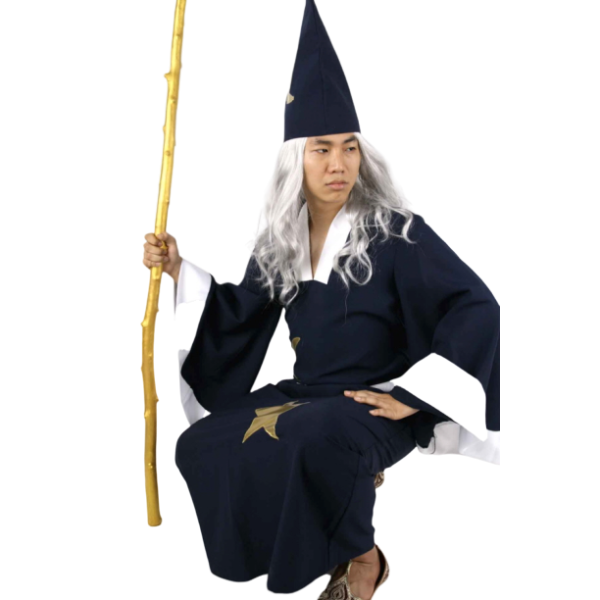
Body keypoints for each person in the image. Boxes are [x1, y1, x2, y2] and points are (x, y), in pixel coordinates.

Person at [141, 2, 500, 598]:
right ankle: (277, 550)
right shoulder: (283, 238)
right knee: (198, 445)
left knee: (318, 438)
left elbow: (474, 308)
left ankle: (364, 560)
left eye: (349, 148)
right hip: (306, 394)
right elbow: (242, 311)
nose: (339, 164)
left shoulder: (397, 231)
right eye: (322, 149)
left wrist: (419, 402)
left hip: (376, 397)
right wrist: (178, 266)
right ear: (295, 160)